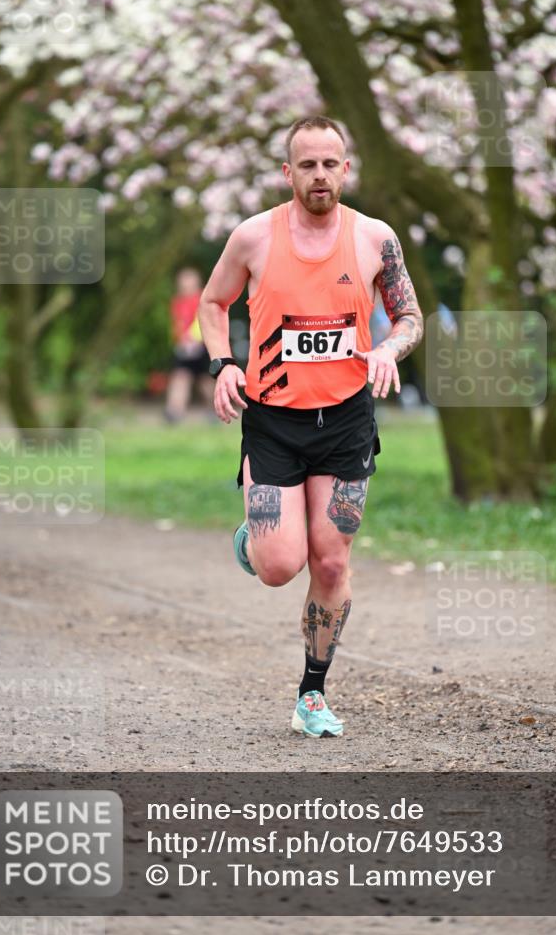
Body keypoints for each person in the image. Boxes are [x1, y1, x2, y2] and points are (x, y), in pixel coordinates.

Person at [198, 116, 423, 737]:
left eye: (331, 163)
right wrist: (223, 365)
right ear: (287, 172)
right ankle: (258, 532)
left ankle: (312, 694)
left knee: (330, 563)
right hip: (272, 422)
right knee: (279, 566)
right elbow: (212, 303)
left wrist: (388, 350)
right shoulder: (254, 237)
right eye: (308, 165)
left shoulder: (376, 238)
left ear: (345, 168)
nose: (320, 175)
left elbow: (408, 316)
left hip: (346, 421)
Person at [165, 267, 215, 423]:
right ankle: (174, 411)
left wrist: (195, 339)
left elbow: (203, 321)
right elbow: (177, 324)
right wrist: (180, 340)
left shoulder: (203, 298)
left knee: (205, 380)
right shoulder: (177, 302)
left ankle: (214, 410)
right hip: (184, 347)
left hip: (202, 346)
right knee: (180, 377)